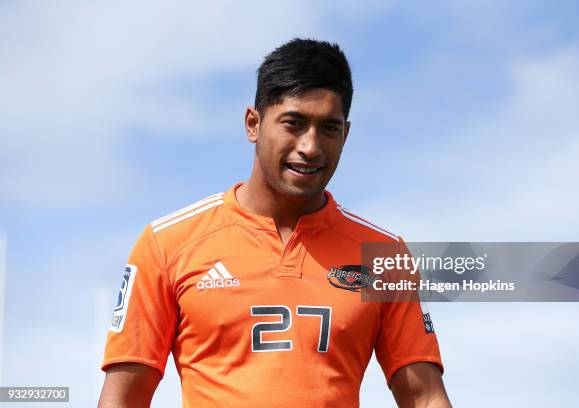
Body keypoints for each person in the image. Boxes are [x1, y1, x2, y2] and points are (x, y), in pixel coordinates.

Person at [98, 38, 451, 408]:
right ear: (253, 124)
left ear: (345, 135)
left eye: (328, 128)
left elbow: (425, 397)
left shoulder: (385, 255)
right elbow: (123, 397)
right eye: (293, 123)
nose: (310, 146)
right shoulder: (166, 243)